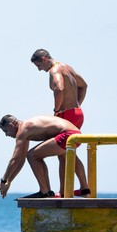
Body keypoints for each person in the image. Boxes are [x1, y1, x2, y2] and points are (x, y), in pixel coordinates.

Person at [31, 48, 91, 196]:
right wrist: (77, 104)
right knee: (69, 151)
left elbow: (59, 88)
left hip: (66, 114)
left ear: (45, 59)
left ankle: (64, 191)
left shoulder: (54, 70)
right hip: (77, 113)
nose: (39, 69)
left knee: (62, 153)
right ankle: (84, 187)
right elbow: (83, 85)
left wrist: (57, 111)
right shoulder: (67, 68)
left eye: (39, 65)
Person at [0, 114, 87, 199]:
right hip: (75, 135)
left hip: (69, 135)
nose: (6, 135)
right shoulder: (26, 131)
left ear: (11, 125)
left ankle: (45, 191)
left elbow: (15, 158)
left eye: (6, 131)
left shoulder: (23, 130)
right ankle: (48, 192)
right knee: (33, 156)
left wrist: (3, 180)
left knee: (32, 155)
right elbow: (21, 160)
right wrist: (9, 181)